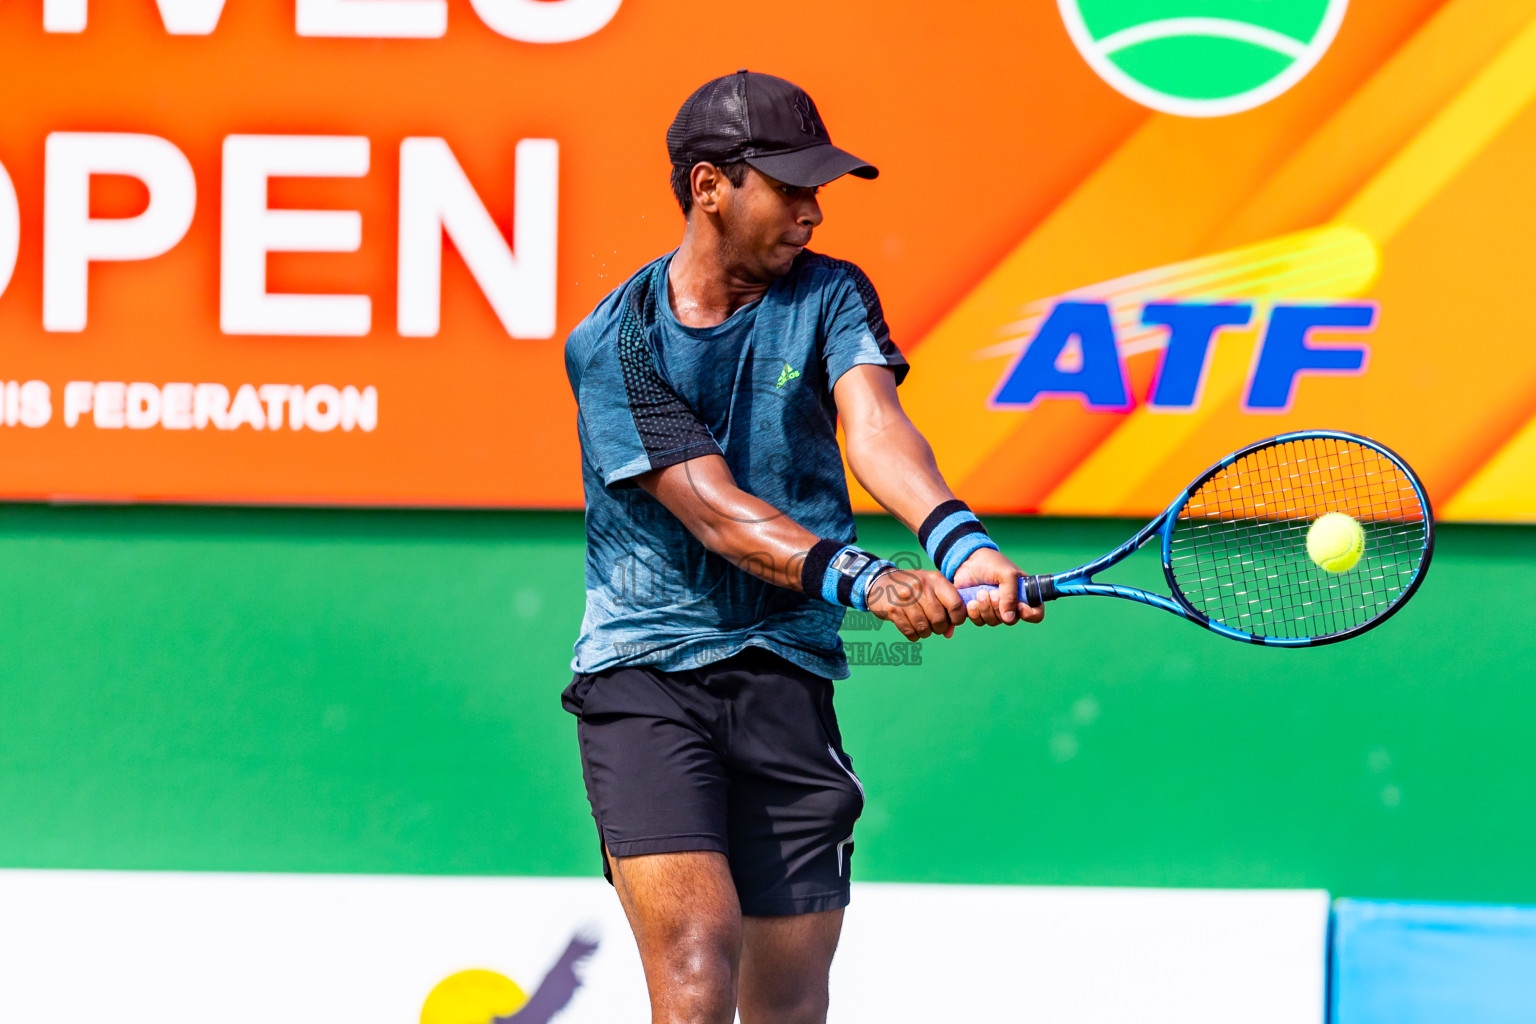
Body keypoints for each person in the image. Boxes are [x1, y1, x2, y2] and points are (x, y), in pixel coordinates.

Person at [561, 70, 1044, 1024]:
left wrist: (960, 543)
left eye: (819, 192)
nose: (814, 213)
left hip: (787, 672)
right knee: (698, 965)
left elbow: (875, 429)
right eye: (790, 188)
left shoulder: (831, 294)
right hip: (646, 679)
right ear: (710, 187)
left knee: (786, 1007)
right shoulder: (613, 342)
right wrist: (869, 582)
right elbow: (713, 509)